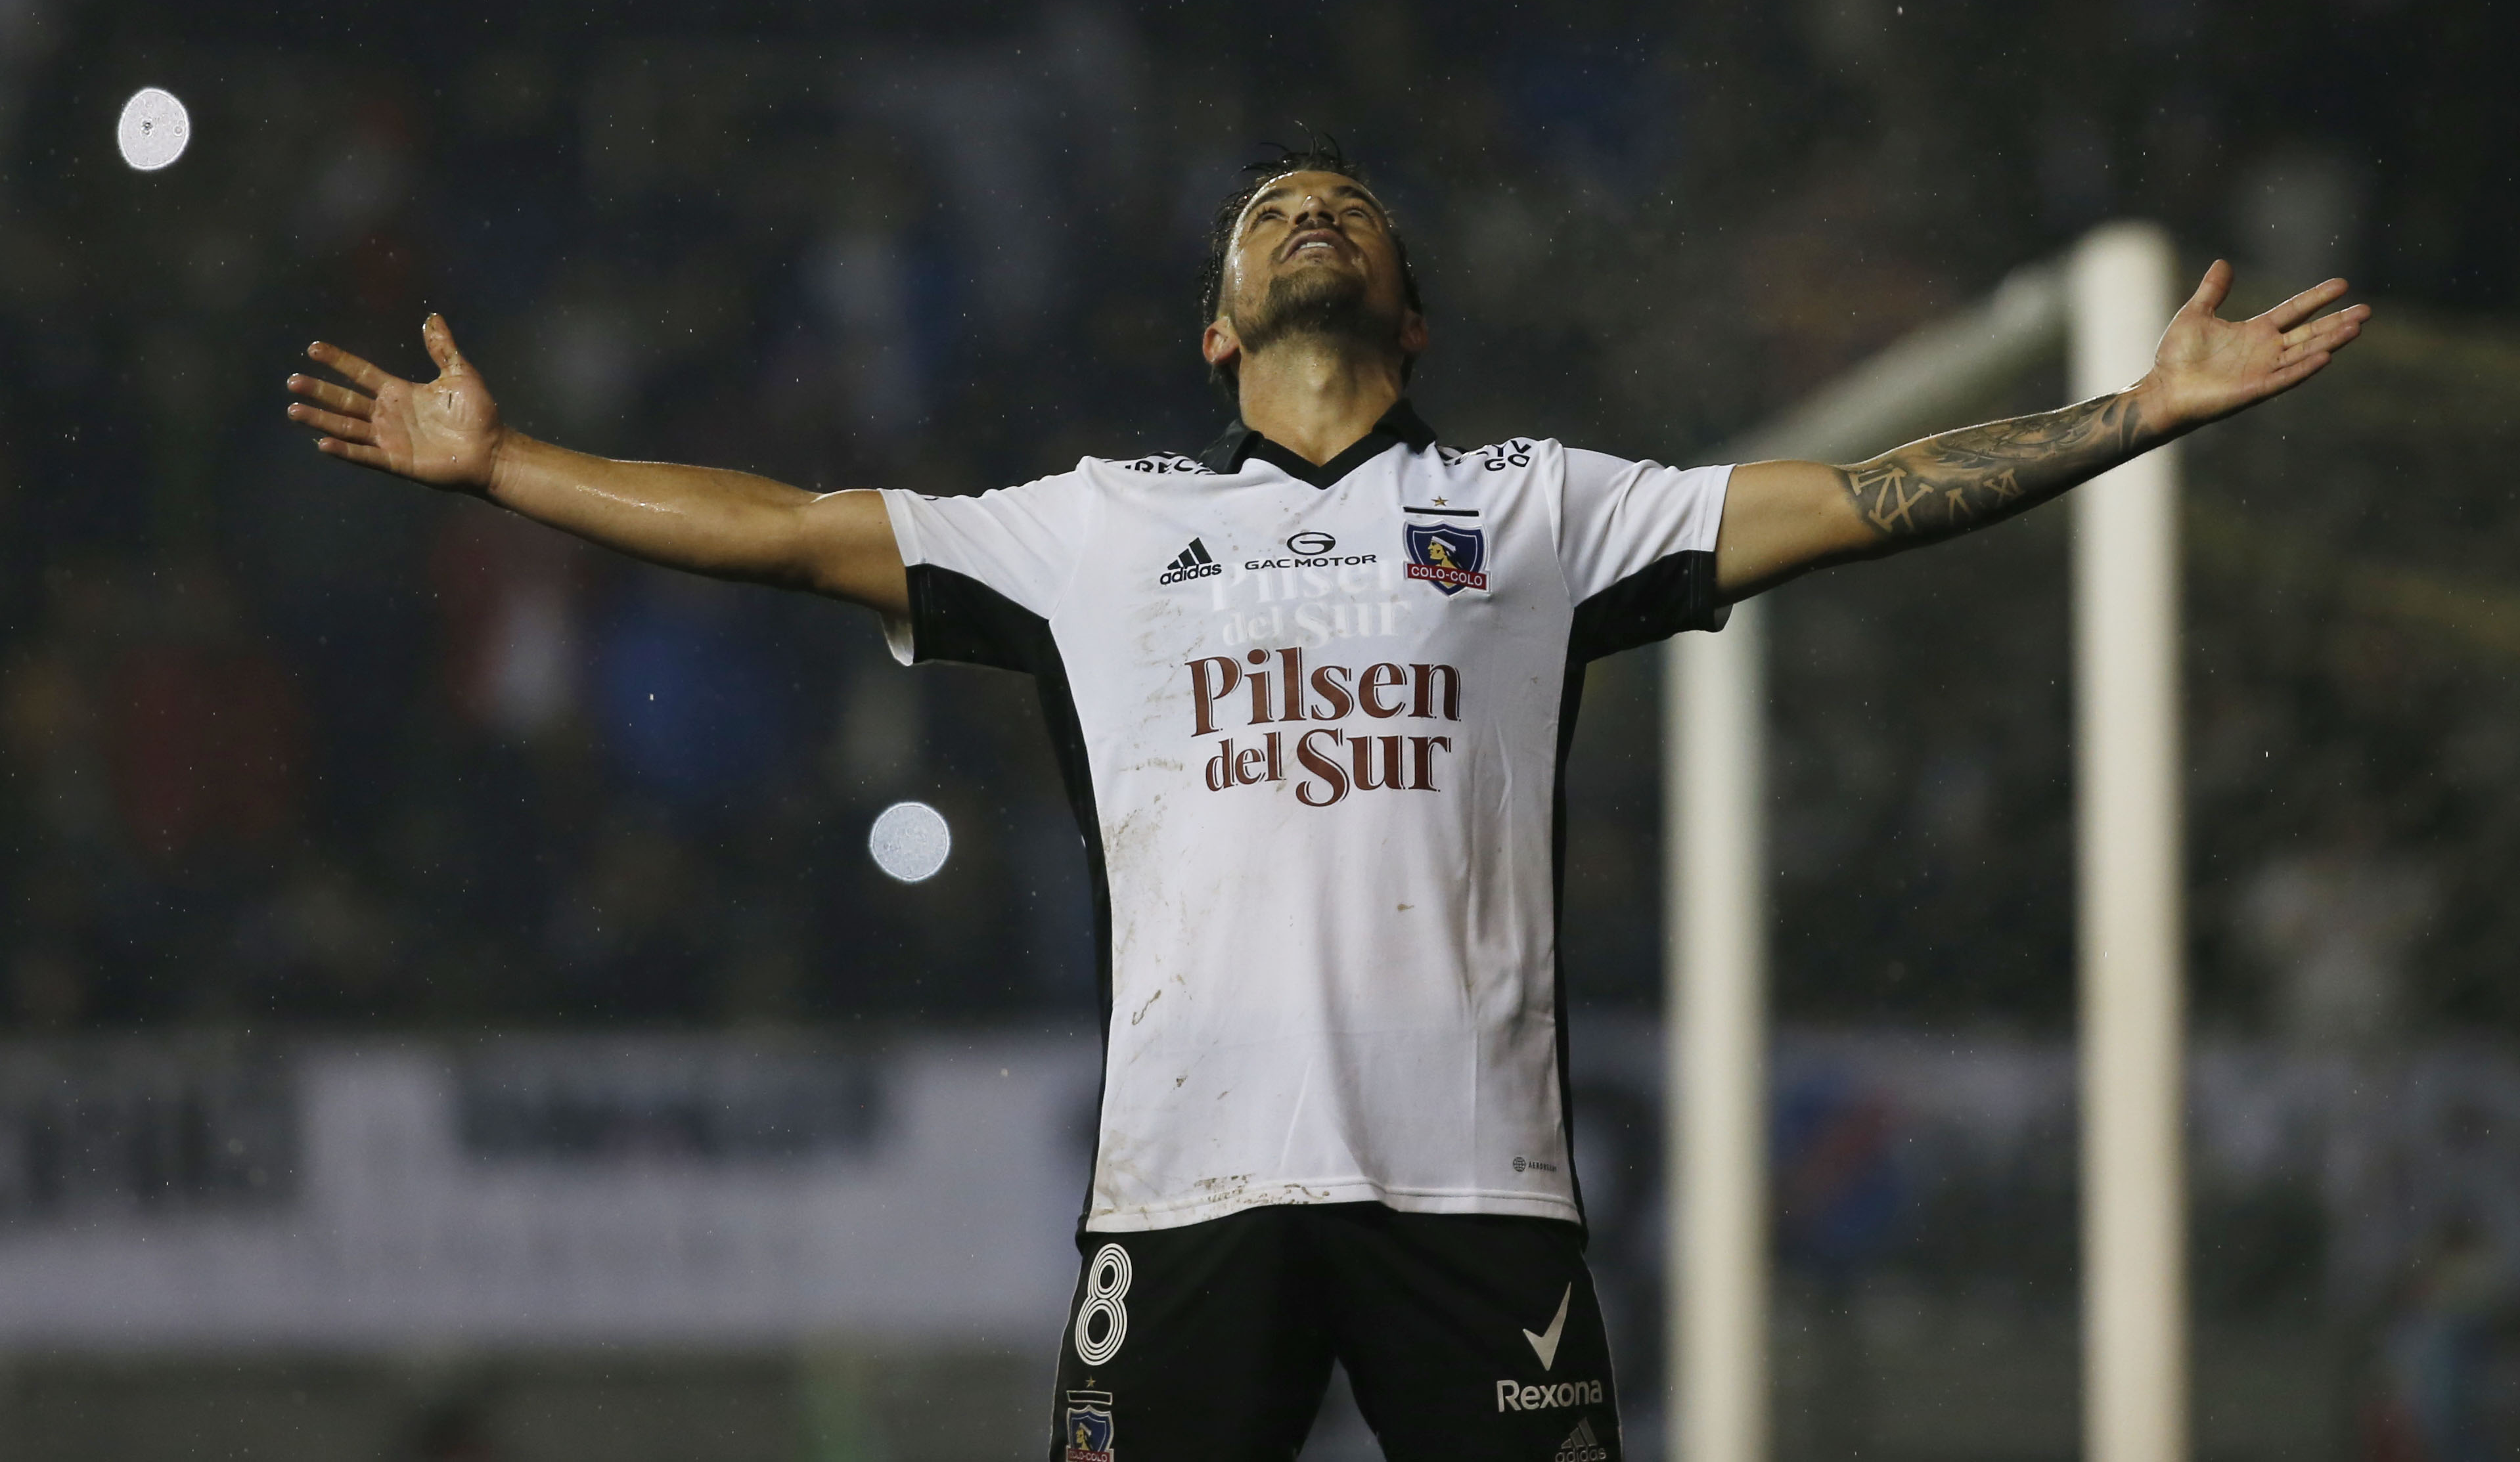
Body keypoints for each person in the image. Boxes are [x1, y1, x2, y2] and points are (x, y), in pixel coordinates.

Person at [284, 143, 2366, 1462]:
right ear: (1214, 330)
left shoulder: (1537, 509)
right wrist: (505, 468)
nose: (1307, 206)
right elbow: (787, 526)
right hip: (1187, 1197)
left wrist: (2131, 411)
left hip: (1477, 1199)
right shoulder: (1095, 529)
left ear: (1409, 313)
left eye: (1344, 204)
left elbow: (1856, 497)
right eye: (1269, 205)